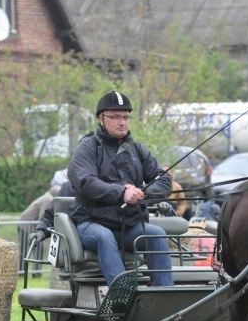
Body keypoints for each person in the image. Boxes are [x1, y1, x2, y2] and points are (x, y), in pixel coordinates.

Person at [66, 90, 174, 287]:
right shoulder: (88, 147)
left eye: (126, 117)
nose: (122, 122)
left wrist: (144, 193)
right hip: (91, 222)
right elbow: (85, 181)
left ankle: (164, 296)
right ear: (101, 118)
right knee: (104, 236)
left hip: (129, 225)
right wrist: (122, 193)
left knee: (157, 234)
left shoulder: (137, 149)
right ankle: (123, 296)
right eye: (115, 117)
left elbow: (164, 179)